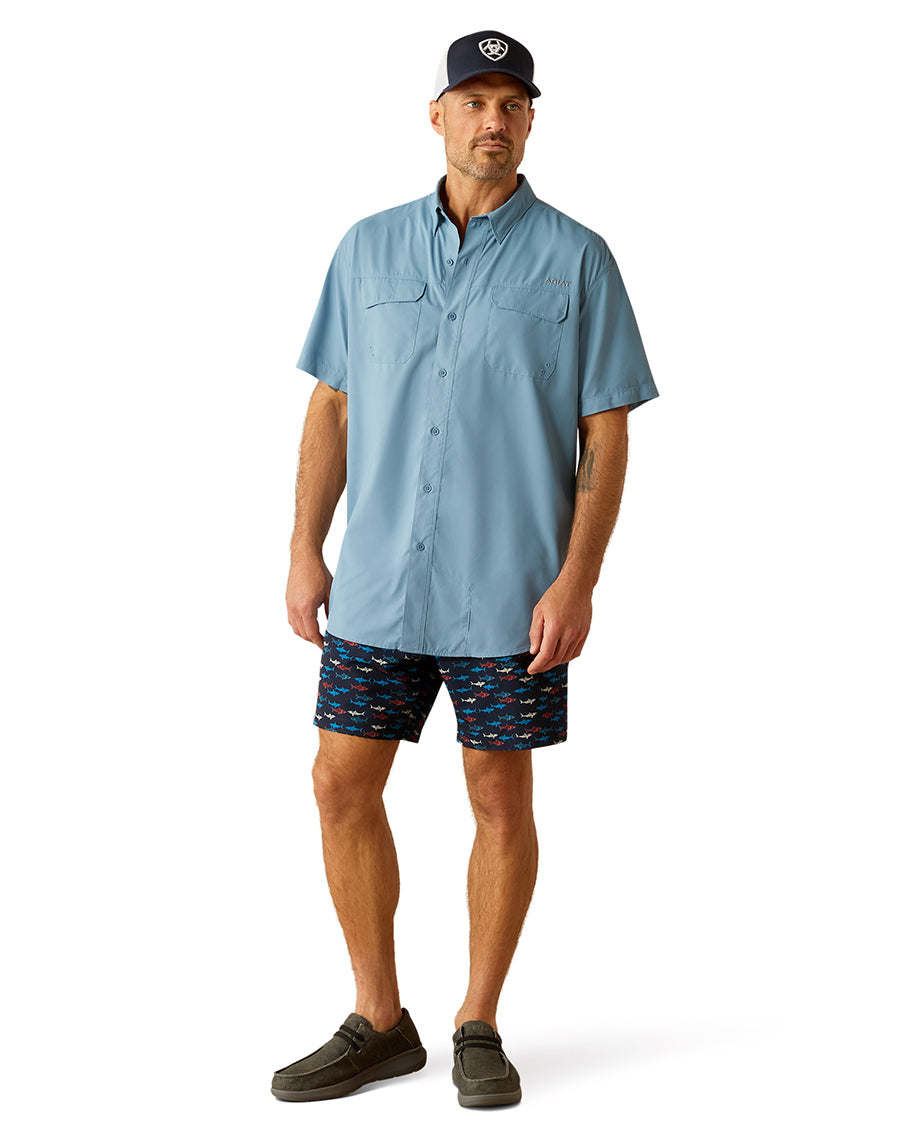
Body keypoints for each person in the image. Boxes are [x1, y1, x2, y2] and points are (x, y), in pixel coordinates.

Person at [272, 29, 660, 1108]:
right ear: (437, 115)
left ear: (531, 121)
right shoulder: (366, 249)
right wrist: (304, 546)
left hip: (511, 591)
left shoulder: (579, 258)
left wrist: (578, 580)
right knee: (339, 781)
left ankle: (478, 1018)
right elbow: (333, 404)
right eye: (475, 100)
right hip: (379, 583)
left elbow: (607, 427)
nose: (494, 120)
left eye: (513, 103)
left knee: (496, 791)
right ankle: (378, 1018)